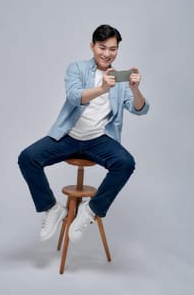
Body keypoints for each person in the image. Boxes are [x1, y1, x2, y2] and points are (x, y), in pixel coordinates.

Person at [18, 24, 149, 243]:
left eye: (113, 49)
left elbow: (140, 109)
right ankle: (51, 208)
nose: (107, 53)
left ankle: (89, 212)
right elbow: (73, 97)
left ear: (117, 50)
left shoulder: (120, 79)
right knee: (27, 158)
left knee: (126, 163)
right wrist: (102, 89)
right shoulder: (77, 69)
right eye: (102, 47)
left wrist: (135, 89)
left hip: (99, 140)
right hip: (68, 137)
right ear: (92, 46)